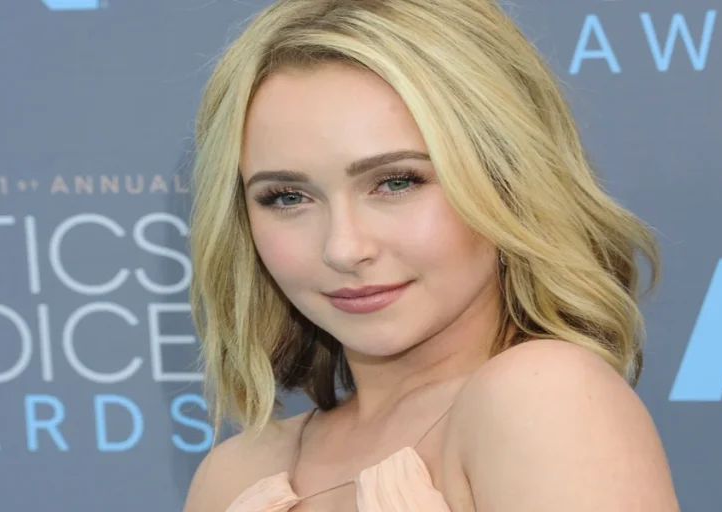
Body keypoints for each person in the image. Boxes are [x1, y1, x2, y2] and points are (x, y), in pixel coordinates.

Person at [183, 0, 680, 510]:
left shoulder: (543, 397)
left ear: (507, 180)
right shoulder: (232, 475)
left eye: (397, 182)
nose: (343, 249)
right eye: (288, 197)